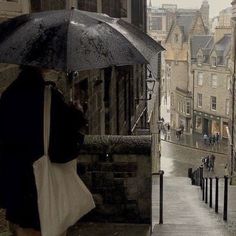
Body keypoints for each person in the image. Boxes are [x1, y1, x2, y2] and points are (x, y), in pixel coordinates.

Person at [0, 66, 86, 236]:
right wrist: (76, 116)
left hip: (17, 193)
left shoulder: (8, 95)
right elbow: (64, 151)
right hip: (43, 192)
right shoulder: (50, 97)